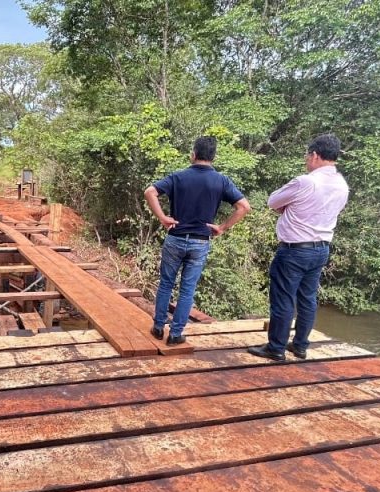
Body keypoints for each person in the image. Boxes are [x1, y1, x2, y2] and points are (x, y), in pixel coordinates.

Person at [248, 133, 349, 361]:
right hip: (321, 248)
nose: (306, 160)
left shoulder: (306, 181)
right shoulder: (342, 185)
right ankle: (301, 345)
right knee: (308, 298)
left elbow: (273, 201)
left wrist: (288, 210)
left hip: (295, 249)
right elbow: (326, 212)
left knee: (283, 298)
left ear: (314, 155)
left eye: (307, 155)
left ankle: (276, 348)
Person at [144, 136, 251, 345]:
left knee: (166, 283)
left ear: (193, 154)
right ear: (213, 157)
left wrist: (163, 217)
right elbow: (244, 207)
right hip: (200, 242)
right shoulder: (221, 181)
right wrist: (221, 227)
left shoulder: (178, 177)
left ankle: (158, 327)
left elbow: (150, 192)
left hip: (175, 238)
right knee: (187, 289)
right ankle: (175, 335)